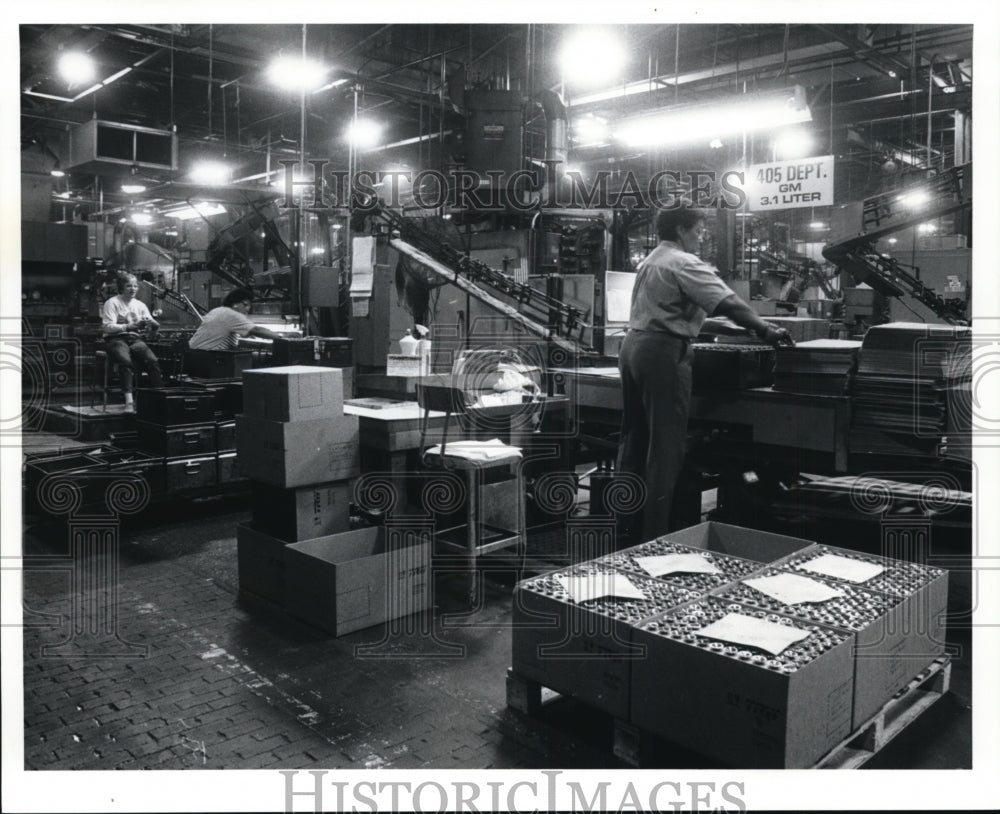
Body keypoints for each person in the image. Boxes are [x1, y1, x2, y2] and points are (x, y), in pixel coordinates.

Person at [616, 207, 793, 544]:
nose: (702, 237)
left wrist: (728, 328)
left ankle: (626, 527)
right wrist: (765, 329)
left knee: (635, 441)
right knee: (666, 448)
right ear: (682, 229)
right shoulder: (684, 262)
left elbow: (671, 310)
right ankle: (655, 538)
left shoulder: (653, 261)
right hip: (662, 354)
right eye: (698, 231)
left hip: (633, 348)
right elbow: (730, 304)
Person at [101, 272, 164, 412]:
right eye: (129, 285)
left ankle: (161, 398)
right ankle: (129, 402)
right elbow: (107, 327)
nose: (133, 288)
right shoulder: (112, 303)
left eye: (135, 286)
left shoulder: (140, 305)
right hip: (115, 339)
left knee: (153, 361)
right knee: (126, 362)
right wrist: (127, 327)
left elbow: (150, 329)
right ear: (121, 287)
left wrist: (154, 327)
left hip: (135, 339)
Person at [187, 289, 284, 350]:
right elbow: (256, 330)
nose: (247, 309)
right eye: (245, 304)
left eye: (249, 306)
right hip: (210, 358)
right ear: (234, 303)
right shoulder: (233, 315)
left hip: (194, 354)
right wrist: (281, 338)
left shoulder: (217, 310)